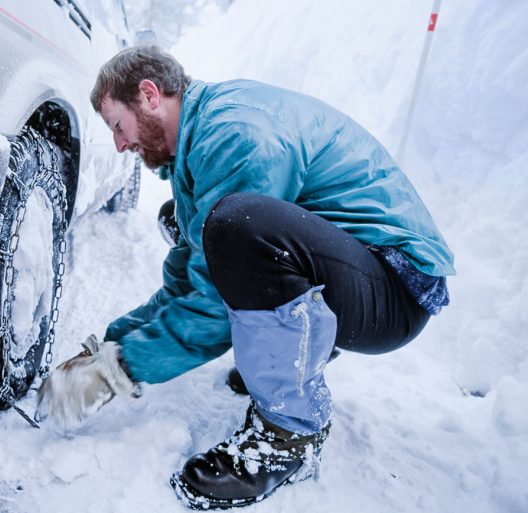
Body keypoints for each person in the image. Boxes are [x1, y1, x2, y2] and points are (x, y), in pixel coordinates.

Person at [37, 46, 454, 509]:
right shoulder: (199, 140)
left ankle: (289, 437)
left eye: (118, 125)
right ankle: (287, 350)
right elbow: (188, 278)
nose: (119, 144)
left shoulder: (236, 133)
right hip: (357, 271)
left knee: (237, 228)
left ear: (150, 95)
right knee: (199, 225)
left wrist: (118, 371)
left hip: (394, 289)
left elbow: (214, 301)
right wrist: (112, 345)